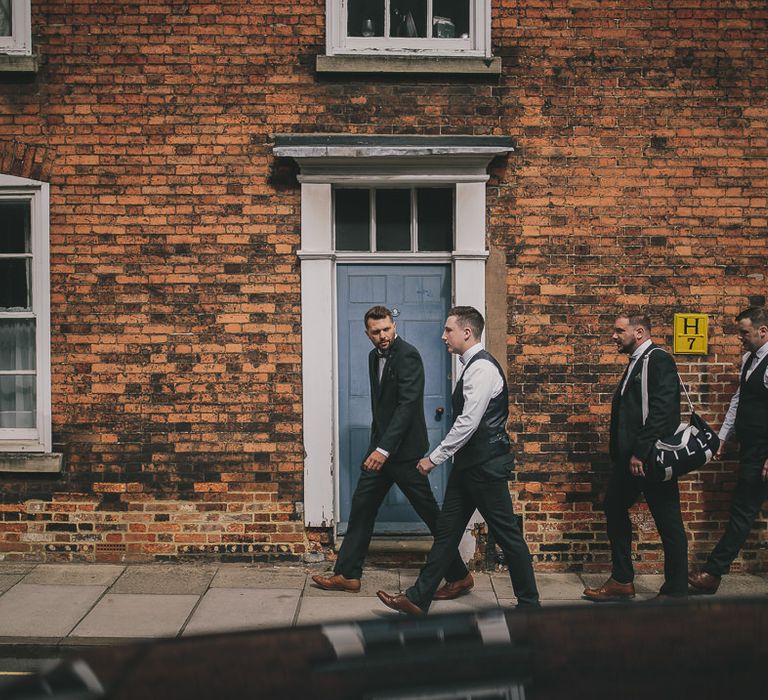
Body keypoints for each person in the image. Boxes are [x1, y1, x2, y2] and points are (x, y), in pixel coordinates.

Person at [376, 306, 540, 615]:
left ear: (466, 332)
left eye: (448, 330)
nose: (443, 336)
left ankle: (530, 604)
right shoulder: (471, 366)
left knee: (508, 536)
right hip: (468, 467)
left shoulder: (481, 369)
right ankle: (417, 598)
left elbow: (468, 422)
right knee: (446, 534)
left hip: (486, 468)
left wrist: (433, 459)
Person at [312, 306, 471, 595]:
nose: (383, 336)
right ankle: (347, 575)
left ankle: (459, 575)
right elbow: (383, 409)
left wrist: (383, 449)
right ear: (367, 334)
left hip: (405, 453)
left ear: (393, 326)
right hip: (382, 450)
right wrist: (378, 445)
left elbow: (407, 407)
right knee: (362, 506)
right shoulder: (374, 357)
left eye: (386, 329)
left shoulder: (408, 355)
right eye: (376, 332)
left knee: (430, 513)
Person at [583, 312, 688, 601]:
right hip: (630, 460)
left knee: (669, 522)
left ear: (639, 332)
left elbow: (663, 411)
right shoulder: (637, 362)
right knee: (614, 507)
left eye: (619, 331)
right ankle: (622, 580)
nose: (614, 336)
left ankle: (676, 590)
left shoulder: (658, 360)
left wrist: (640, 452)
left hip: (648, 459)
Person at [688, 306, 768, 594]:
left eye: (744, 333)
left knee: (743, 512)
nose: (740, 339)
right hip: (750, 450)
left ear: (763, 331)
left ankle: (713, 573)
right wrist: (722, 437)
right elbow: (738, 401)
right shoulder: (749, 359)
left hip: (762, 452)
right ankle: (713, 573)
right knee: (744, 510)